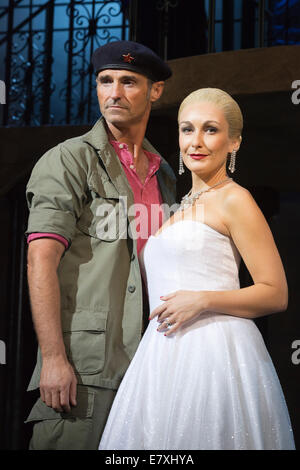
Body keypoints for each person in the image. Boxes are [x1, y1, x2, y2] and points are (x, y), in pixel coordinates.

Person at [99, 88, 296, 450]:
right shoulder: (181, 207)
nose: (196, 141)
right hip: (161, 356)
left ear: (233, 141)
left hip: (215, 353)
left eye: (210, 130)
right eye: (187, 129)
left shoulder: (235, 199)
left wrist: (203, 300)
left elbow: (275, 292)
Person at [24, 40, 176, 450]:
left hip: (152, 362)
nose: (114, 92)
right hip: (86, 365)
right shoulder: (68, 160)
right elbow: (40, 259)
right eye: (105, 81)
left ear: (155, 91)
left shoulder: (165, 175)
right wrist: (53, 358)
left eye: (128, 82)